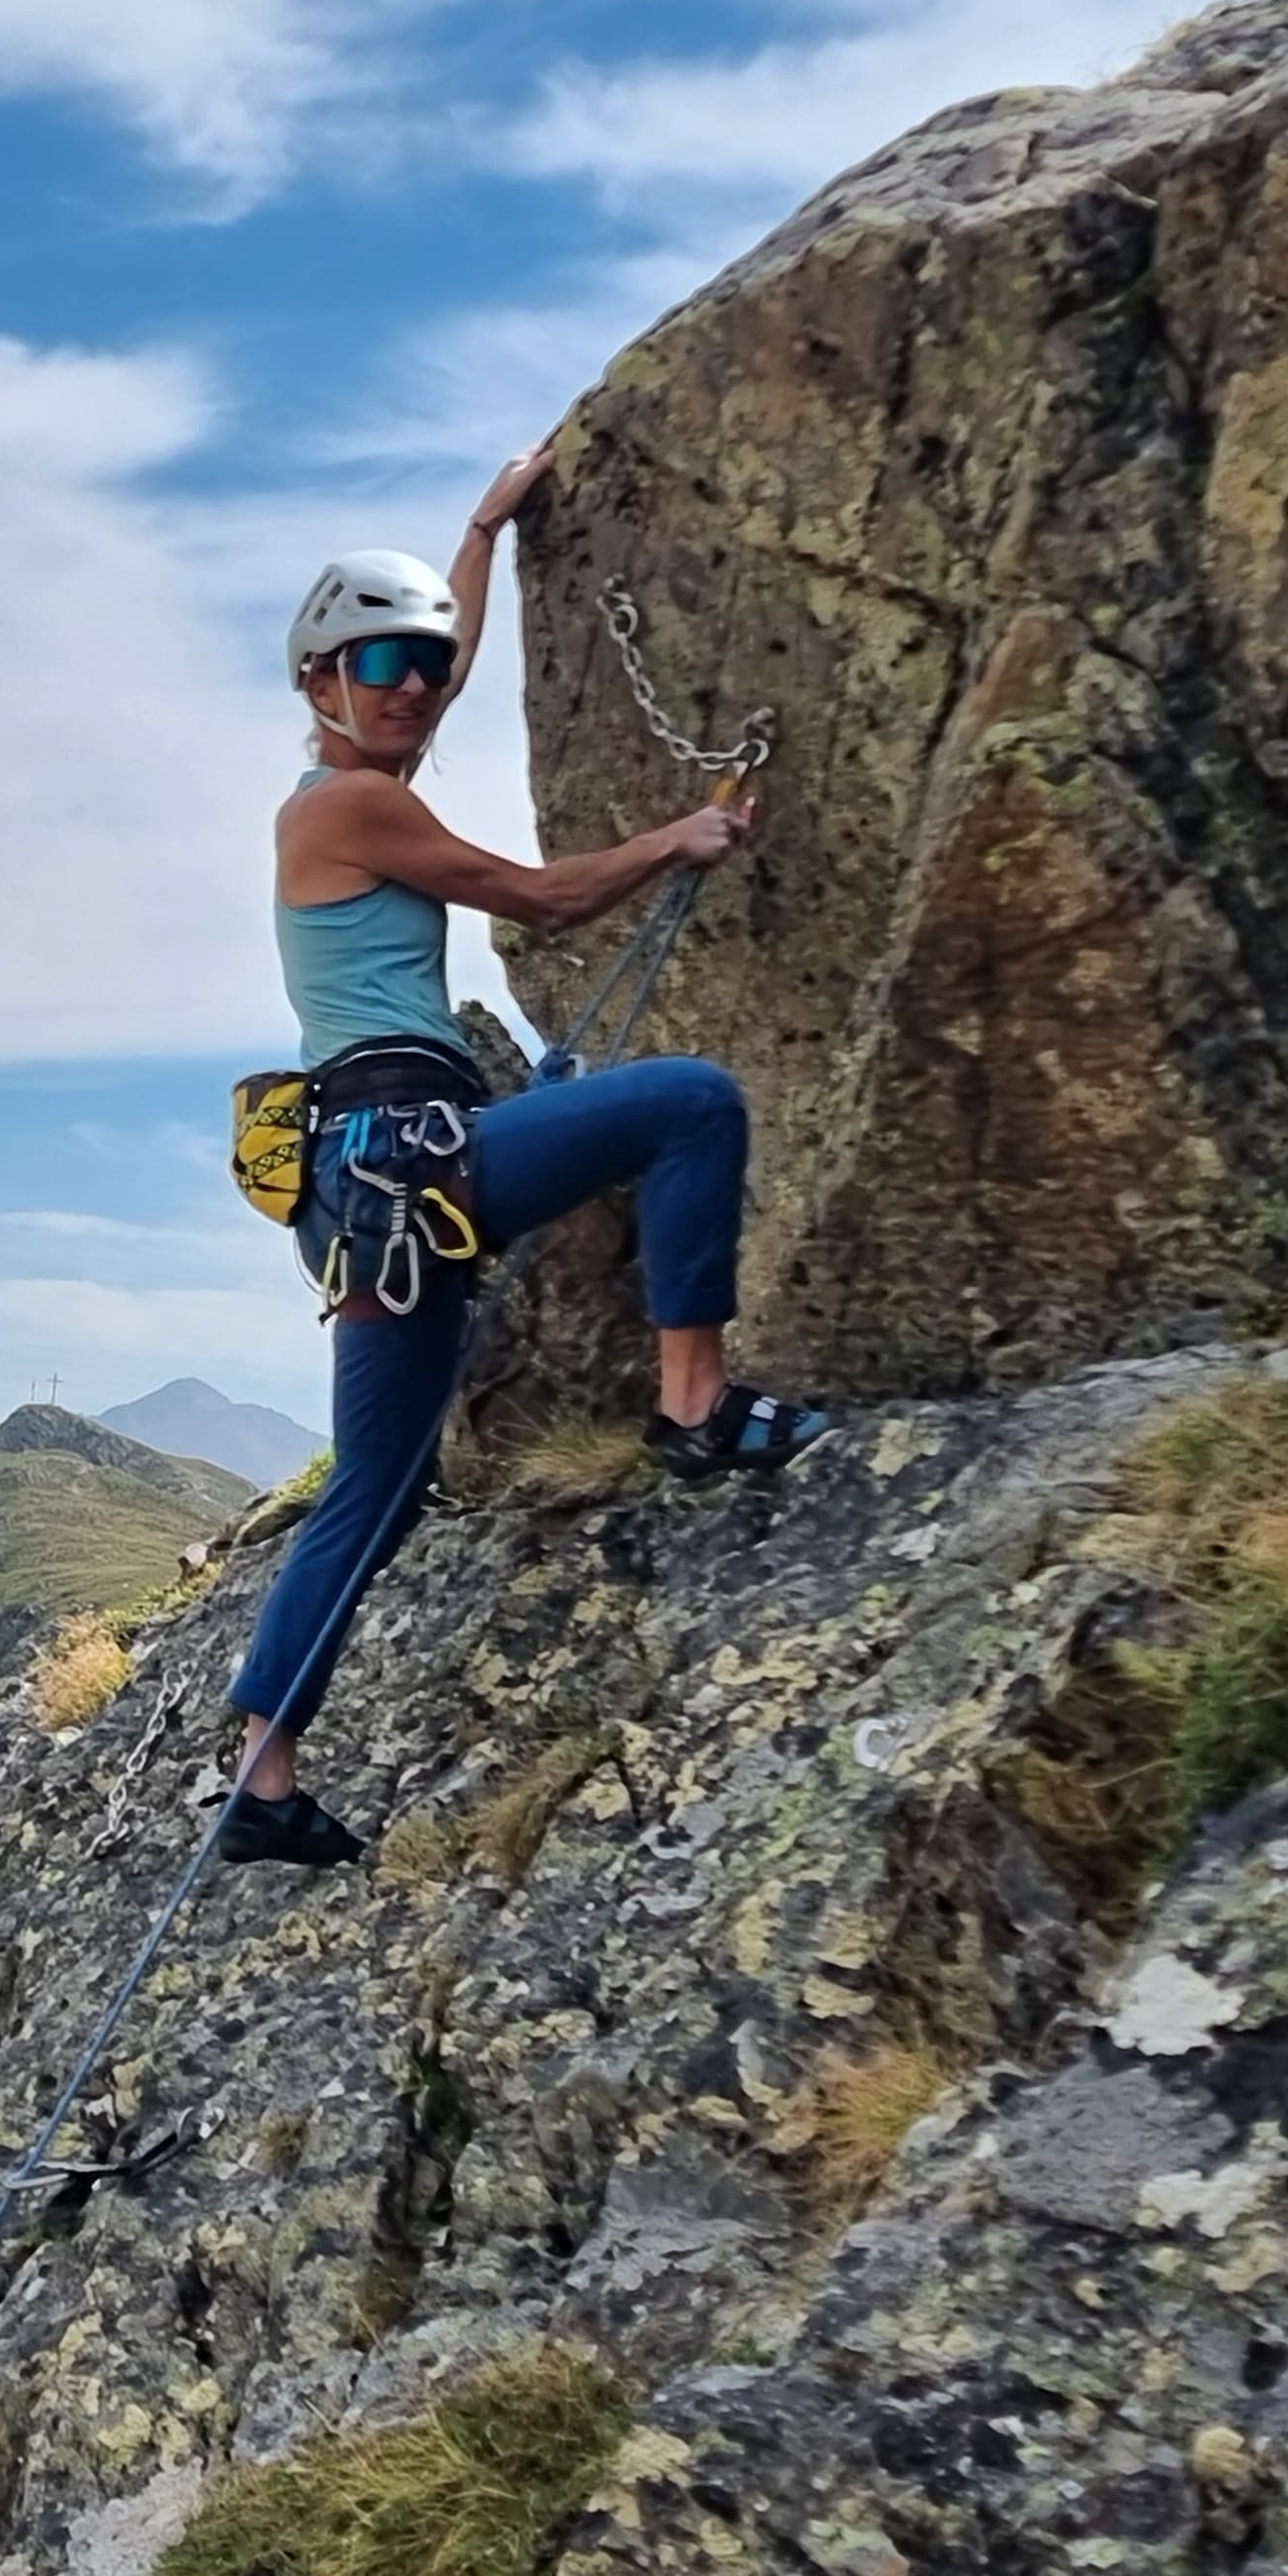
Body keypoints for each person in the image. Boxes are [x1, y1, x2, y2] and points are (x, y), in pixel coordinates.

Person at [224, 444, 832, 1870]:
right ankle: (694, 1407)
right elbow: (539, 901)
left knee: (377, 1485)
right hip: (412, 1158)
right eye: (382, 664)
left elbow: (447, 675)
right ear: (318, 680)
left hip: (366, 1187)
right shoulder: (346, 806)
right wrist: (678, 838)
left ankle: (261, 1778)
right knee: (692, 1104)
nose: (414, 686)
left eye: (424, 664)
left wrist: (484, 534)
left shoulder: (356, 777)